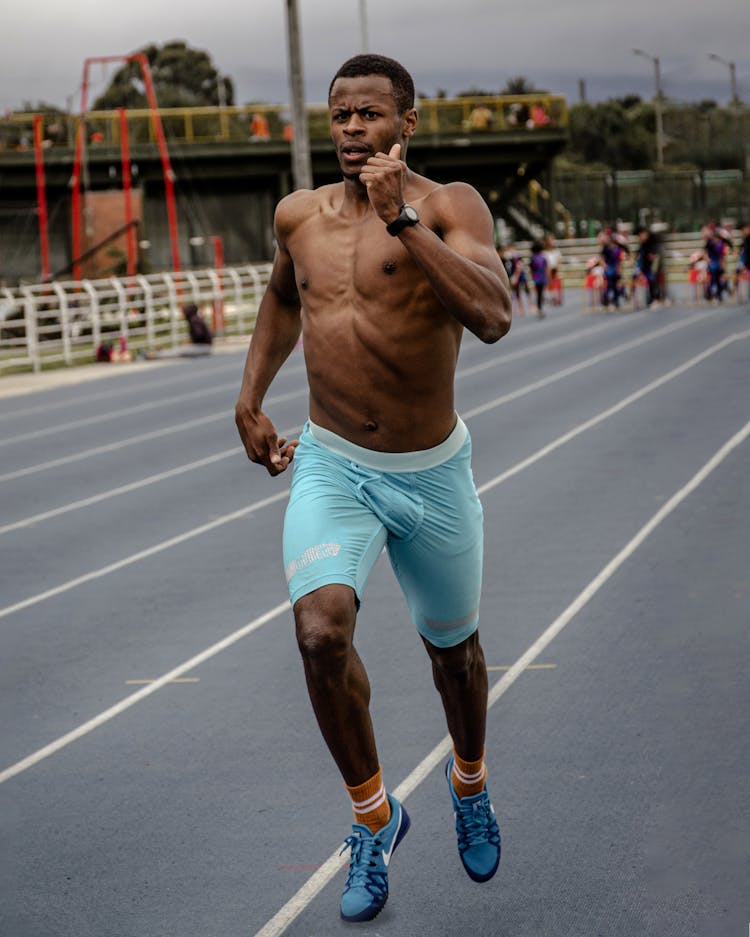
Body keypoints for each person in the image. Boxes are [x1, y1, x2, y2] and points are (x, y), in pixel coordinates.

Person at [235, 53, 511, 923]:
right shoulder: (298, 216)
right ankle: (374, 816)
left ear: (408, 122)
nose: (353, 129)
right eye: (341, 115)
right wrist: (248, 398)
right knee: (319, 633)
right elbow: (285, 298)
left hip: (431, 475)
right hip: (333, 464)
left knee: (454, 658)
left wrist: (403, 224)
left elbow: (495, 315)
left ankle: (469, 781)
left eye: (370, 115)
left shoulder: (451, 205)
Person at [529, 240, 548, 318]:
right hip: (541, 276)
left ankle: (540, 308)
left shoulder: (533, 257)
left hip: (536, 277)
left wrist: (532, 276)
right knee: (540, 293)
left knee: (539, 293)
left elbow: (531, 268)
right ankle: (540, 309)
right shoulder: (542, 257)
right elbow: (546, 267)